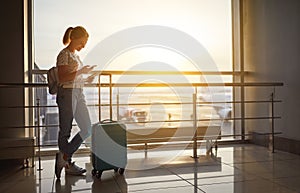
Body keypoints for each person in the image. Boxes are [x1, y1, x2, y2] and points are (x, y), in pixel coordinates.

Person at [55, 26, 96, 179]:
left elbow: (75, 77)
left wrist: (86, 78)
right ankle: (67, 163)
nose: (84, 46)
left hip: (78, 93)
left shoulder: (76, 57)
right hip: (67, 94)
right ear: (75, 38)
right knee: (65, 130)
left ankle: (64, 157)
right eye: (82, 42)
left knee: (87, 128)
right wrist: (81, 72)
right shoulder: (64, 55)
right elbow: (64, 78)